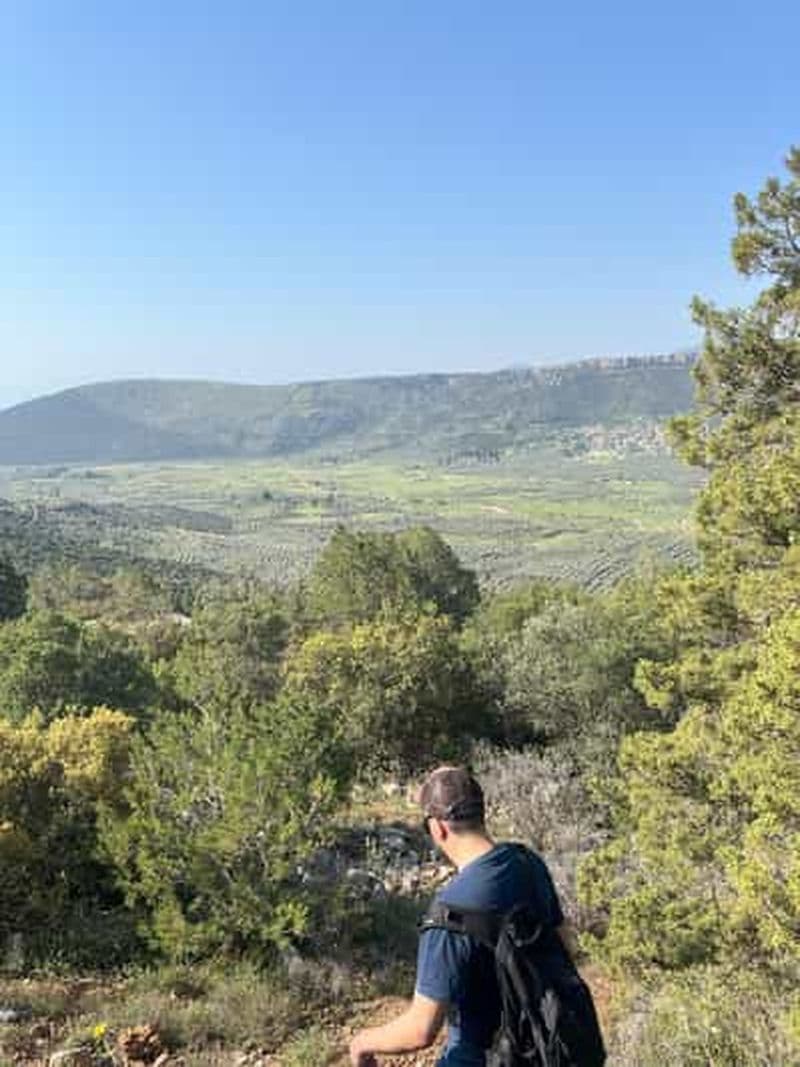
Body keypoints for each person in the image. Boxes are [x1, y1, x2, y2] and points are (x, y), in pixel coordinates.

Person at [349, 765, 571, 1067]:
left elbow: (420, 1031)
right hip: (546, 1048)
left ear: (437, 828)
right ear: (482, 813)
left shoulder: (450, 914)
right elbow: (564, 949)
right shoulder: (528, 864)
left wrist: (362, 1042)